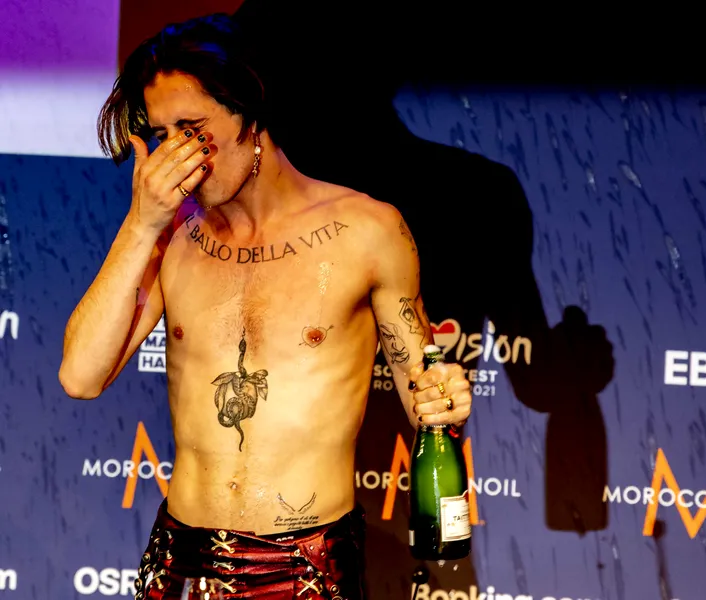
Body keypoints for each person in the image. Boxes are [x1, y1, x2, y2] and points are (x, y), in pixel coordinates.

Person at [57, 14, 472, 600]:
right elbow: (79, 376)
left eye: (192, 128)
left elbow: (421, 391)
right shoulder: (170, 236)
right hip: (181, 565)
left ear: (248, 112)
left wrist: (442, 396)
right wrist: (140, 224)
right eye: (162, 134)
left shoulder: (367, 231)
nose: (177, 154)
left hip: (306, 571)